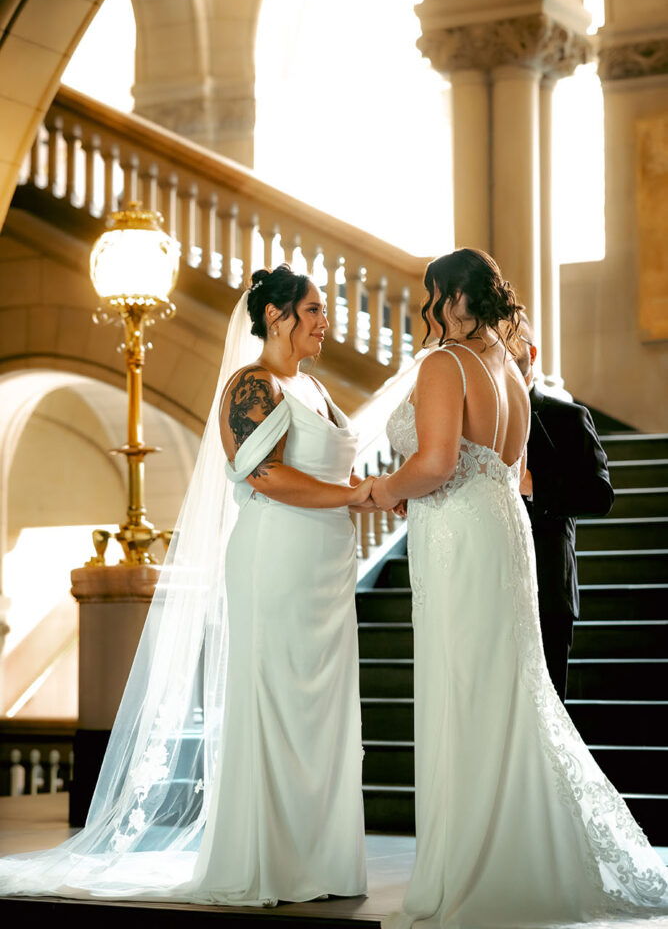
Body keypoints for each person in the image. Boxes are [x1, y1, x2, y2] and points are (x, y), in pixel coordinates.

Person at [0, 264, 373, 905]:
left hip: (326, 567)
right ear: (278, 318)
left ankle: (320, 860)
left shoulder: (311, 386)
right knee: (276, 703)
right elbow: (264, 477)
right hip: (276, 560)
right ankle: (268, 859)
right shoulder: (251, 386)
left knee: (325, 713)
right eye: (313, 310)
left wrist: (366, 495)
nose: (325, 321)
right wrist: (354, 495)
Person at [371, 249, 668, 929]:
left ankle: (474, 862)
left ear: (449, 298)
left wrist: (382, 489)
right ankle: (523, 847)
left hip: (461, 535)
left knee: (466, 688)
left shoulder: (447, 364)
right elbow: (499, 465)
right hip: (502, 530)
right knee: (507, 689)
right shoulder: (506, 368)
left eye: (432, 297)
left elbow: (439, 462)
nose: (429, 311)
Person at [517, 317, 614, 701]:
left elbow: (599, 494)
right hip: (489, 589)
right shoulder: (474, 422)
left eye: (512, 341)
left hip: (548, 589)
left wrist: (534, 486)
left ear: (532, 352)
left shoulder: (569, 418)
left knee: (547, 711)